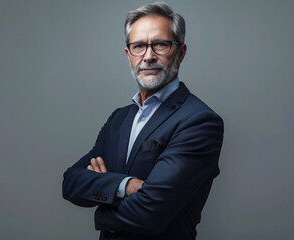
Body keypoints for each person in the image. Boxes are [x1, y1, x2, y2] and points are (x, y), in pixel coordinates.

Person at [62, 2, 224, 240]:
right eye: (139, 46)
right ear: (129, 55)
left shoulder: (199, 121)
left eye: (160, 44)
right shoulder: (119, 119)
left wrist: (102, 199)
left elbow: (152, 213)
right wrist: (125, 185)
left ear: (180, 53)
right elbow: (71, 182)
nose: (148, 56)